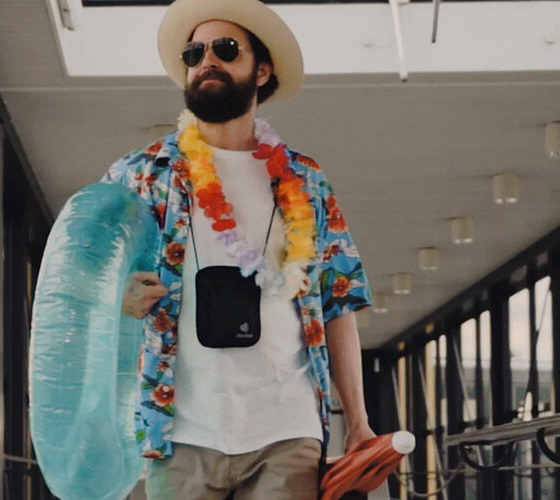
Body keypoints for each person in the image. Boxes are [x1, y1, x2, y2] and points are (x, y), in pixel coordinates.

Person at [102, 0, 375, 497]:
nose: (206, 60)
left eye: (225, 49)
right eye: (194, 52)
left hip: (287, 429)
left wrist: (357, 421)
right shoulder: (142, 175)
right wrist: (117, 296)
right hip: (180, 430)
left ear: (261, 70)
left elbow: (339, 302)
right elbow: (88, 275)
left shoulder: (305, 180)